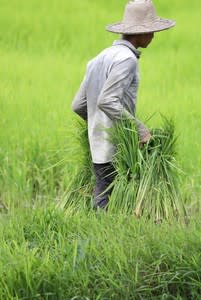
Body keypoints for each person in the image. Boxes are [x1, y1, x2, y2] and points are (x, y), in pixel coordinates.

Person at [71, 0, 175, 209]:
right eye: (151, 31)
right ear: (139, 33)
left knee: (105, 193)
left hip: (98, 143)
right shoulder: (127, 59)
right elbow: (107, 100)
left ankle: (102, 234)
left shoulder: (99, 58)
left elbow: (78, 105)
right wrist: (140, 129)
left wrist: (96, 126)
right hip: (117, 146)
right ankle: (101, 237)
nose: (153, 36)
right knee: (107, 201)